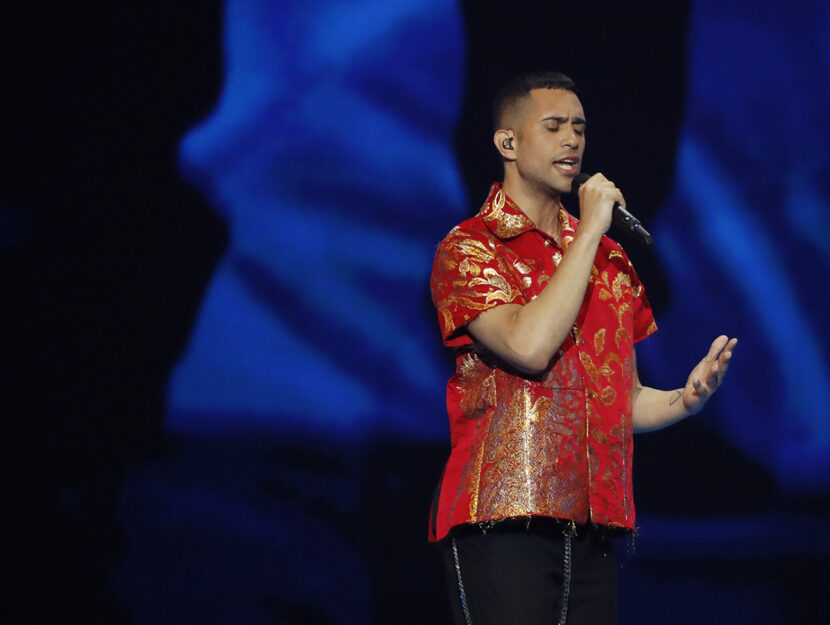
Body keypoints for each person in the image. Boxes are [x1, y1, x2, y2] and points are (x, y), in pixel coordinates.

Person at [428, 71, 738, 625]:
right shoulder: (471, 247)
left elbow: (619, 399)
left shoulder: (611, 262)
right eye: (554, 127)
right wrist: (591, 231)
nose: (572, 140)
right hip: (501, 520)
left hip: (591, 527)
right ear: (508, 143)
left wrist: (684, 400)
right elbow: (528, 346)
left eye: (579, 128)